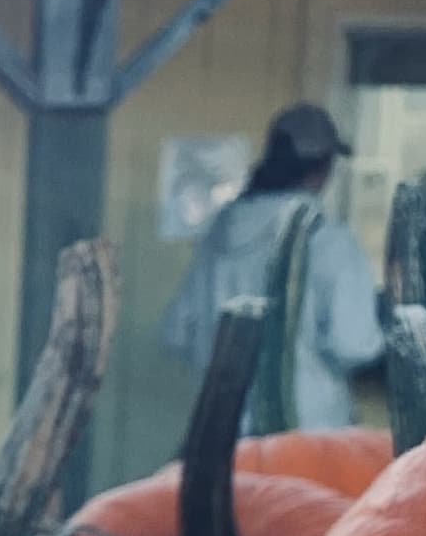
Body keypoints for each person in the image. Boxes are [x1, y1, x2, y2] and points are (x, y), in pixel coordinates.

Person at [161, 102, 385, 430]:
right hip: (308, 436)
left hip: (222, 433)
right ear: (322, 168)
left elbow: (178, 332)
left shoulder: (218, 236)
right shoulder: (328, 241)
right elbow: (356, 344)